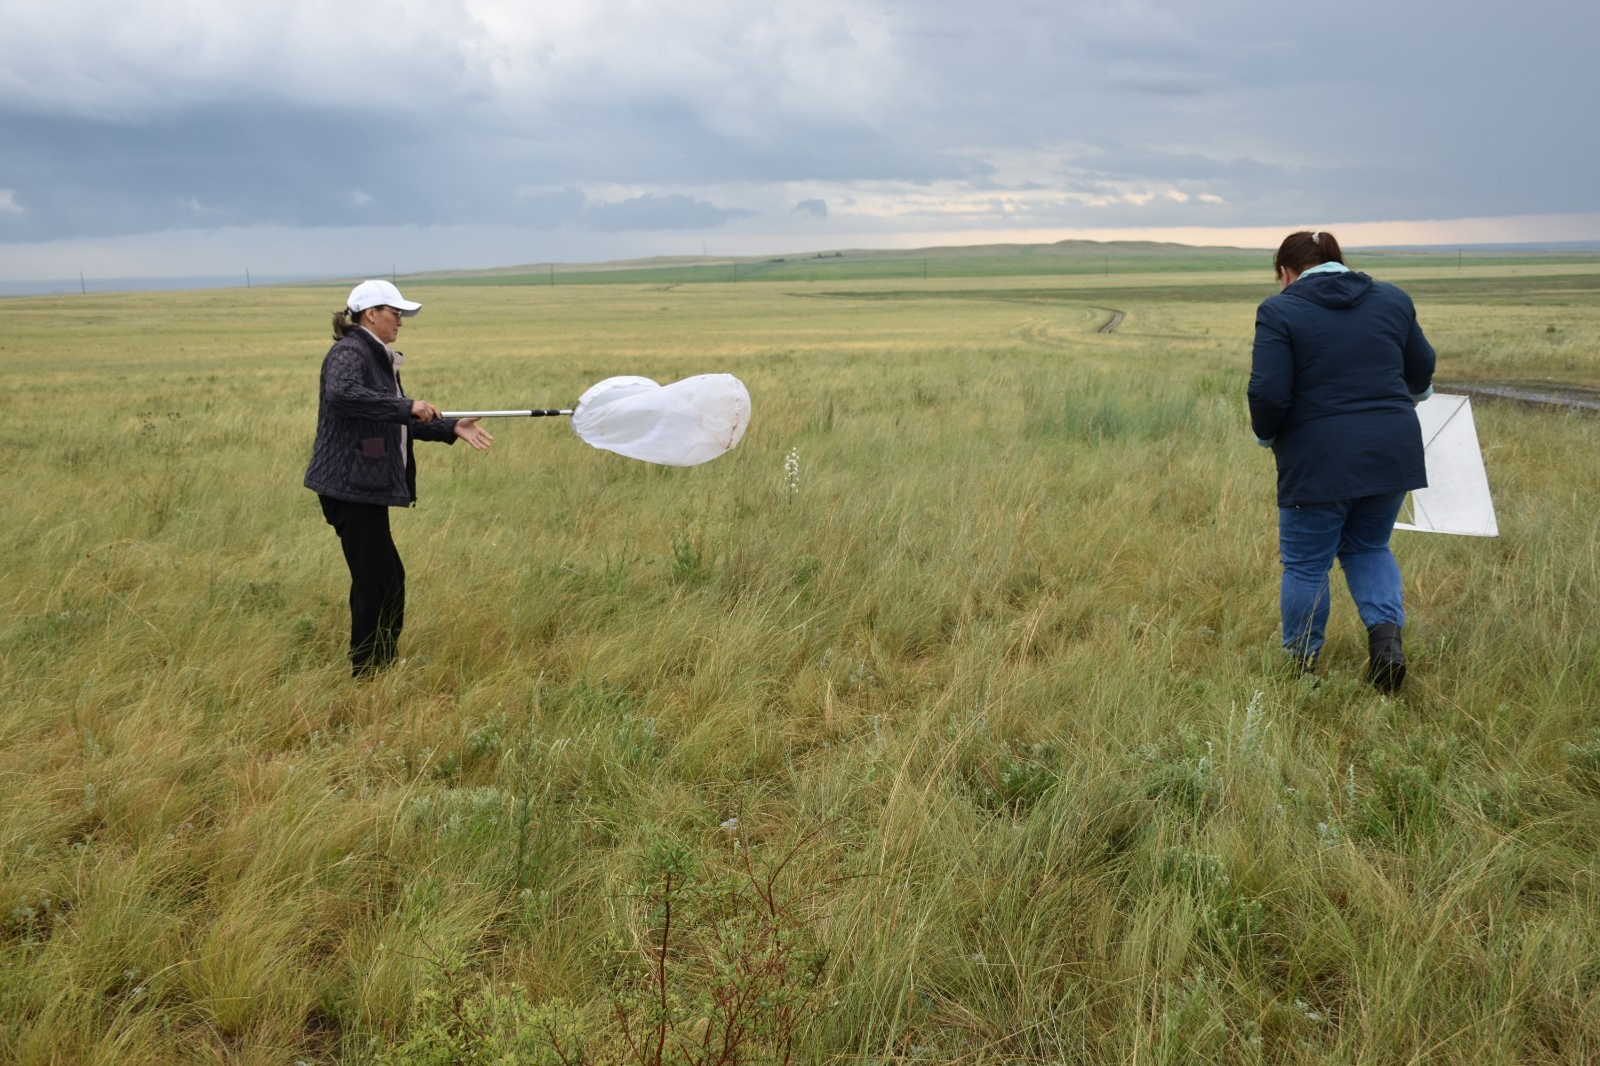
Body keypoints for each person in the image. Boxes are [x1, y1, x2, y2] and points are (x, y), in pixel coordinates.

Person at [1248, 231, 1435, 692]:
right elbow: (1421, 368)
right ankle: (1386, 646)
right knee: (1369, 547)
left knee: (1306, 564)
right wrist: (1411, 397)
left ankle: (1300, 670)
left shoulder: (1279, 310)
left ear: (1285, 272)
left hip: (1317, 459)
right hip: (1392, 450)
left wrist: (1266, 436)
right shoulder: (1393, 299)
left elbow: (1268, 392)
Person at [304, 279, 494, 676]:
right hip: (348, 487)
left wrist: (451, 426)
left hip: (362, 485)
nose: (401, 321)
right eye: (396, 313)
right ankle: (367, 669)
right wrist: (405, 405)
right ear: (370, 314)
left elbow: (393, 419)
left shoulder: (376, 356)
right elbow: (342, 395)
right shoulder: (350, 351)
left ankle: (380, 662)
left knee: (385, 577)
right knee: (376, 579)